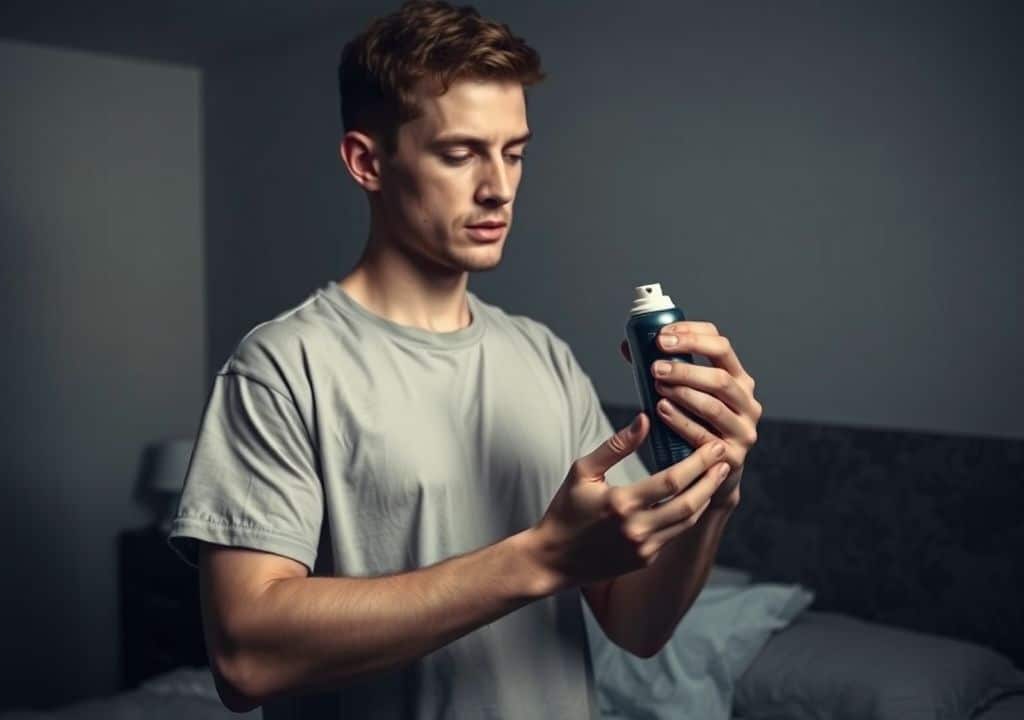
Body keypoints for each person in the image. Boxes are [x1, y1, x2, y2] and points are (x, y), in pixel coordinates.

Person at [167, 1, 763, 717]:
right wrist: (538, 559)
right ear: (367, 161)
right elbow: (244, 657)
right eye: (460, 153)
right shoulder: (283, 365)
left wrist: (718, 491)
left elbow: (637, 626)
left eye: (514, 152)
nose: (500, 187)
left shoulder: (543, 357)